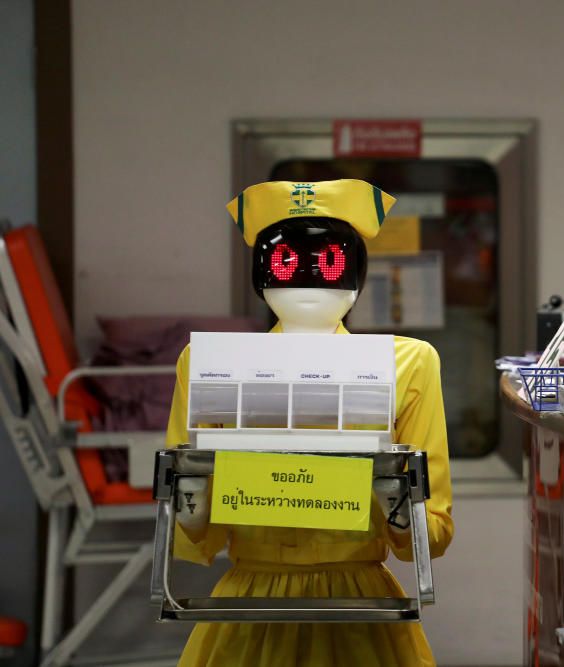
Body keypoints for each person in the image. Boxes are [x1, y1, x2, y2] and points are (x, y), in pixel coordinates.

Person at [166, 179, 453, 666]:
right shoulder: (208, 363)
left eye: (328, 262)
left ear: (356, 273)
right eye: (286, 262)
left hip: (358, 605)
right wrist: (189, 506)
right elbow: (190, 526)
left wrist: (400, 508)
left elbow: (436, 529)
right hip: (250, 605)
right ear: (263, 274)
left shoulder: (408, 364)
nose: (307, 279)